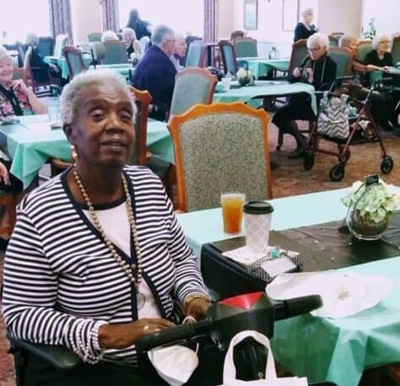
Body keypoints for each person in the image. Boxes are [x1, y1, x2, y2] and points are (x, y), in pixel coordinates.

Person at [2, 69, 211, 385]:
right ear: (71, 132)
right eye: (98, 115)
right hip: (99, 366)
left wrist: (191, 294)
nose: (115, 124)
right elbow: (21, 315)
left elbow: (181, 259)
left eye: (125, 116)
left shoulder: (149, 186)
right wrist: (107, 335)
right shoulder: (41, 212)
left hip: (174, 351)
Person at [272, 33, 337, 158]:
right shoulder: (308, 59)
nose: (311, 52)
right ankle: (303, 142)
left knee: (282, 115)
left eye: (315, 49)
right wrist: (294, 76)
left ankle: (302, 144)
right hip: (301, 100)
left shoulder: (330, 64)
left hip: (317, 104)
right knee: (278, 117)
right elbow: (291, 81)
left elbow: (328, 89)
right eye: (310, 49)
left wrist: (312, 80)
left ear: (324, 48)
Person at [0, 46, 46, 191]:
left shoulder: (18, 88)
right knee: (17, 176)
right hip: (5, 150)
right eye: (0, 66)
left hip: (28, 143)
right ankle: (16, 209)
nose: (6, 69)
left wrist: (28, 92)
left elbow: (43, 114)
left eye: (8, 64)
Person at [339, 35, 395, 130]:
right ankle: (373, 127)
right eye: (354, 45)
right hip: (352, 89)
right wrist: (381, 68)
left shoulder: (348, 58)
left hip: (355, 86)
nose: (356, 47)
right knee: (380, 97)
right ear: (346, 46)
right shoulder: (348, 59)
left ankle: (377, 123)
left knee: (386, 95)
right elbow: (365, 68)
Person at [131, 25, 177, 121]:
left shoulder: (148, 56)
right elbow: (175, 96)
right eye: (174, 41)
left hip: (138, 112)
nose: (175, 44)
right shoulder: (164, 65)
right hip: (154, 116)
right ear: (166, 44)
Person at [364, 34, 400, 128]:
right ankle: (382, 121)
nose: (386, 44)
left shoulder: (388, 56)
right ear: (377, 43)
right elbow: (367, 67)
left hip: (387, 83)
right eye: (383, 42)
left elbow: (390, 68)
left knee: (397, 94)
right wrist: (380, 68)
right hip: (372, 83)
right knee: (385, 97)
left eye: (388, 42)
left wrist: (390, 68)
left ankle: (392, 117)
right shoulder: (371, 55)